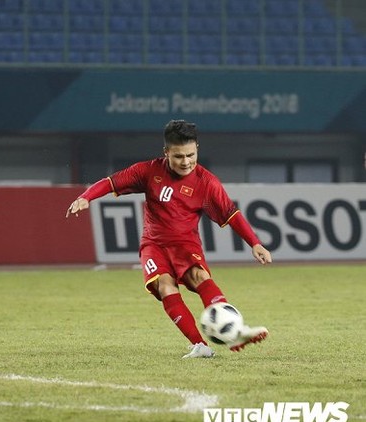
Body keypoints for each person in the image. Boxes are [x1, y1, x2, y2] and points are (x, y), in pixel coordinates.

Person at [66, 120, 271, 358]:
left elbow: (231, 214)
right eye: (179, 156)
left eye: (190, 155)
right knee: (165, 286)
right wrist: (86, 197)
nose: (186, 162)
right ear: (166, 153)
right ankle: (200, 345)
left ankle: (235, 332)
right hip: (153, 244)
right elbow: (111, 182)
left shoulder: (207, 183)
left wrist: (254, 242)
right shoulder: (148, 171)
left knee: (199, 276)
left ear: (197, 149)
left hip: (186, 244)